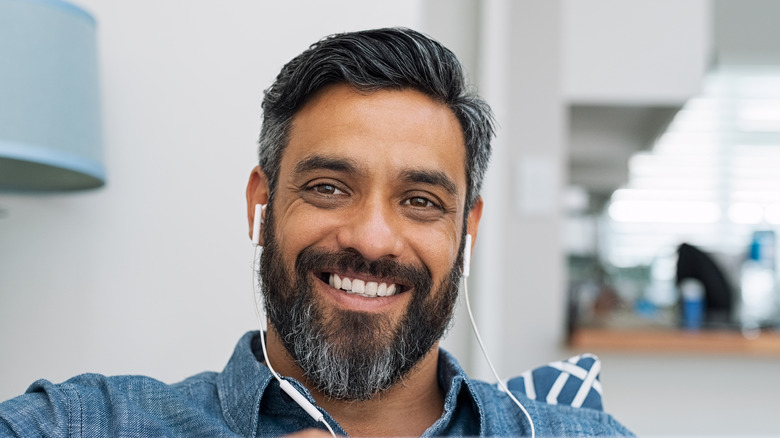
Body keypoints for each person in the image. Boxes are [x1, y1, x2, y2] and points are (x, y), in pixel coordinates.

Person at [0, 28, 632, 437]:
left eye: (420, 200)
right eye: (329, 188)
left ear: (467, 229)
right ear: (263, 202)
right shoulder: (88, 422)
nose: (373, 238)